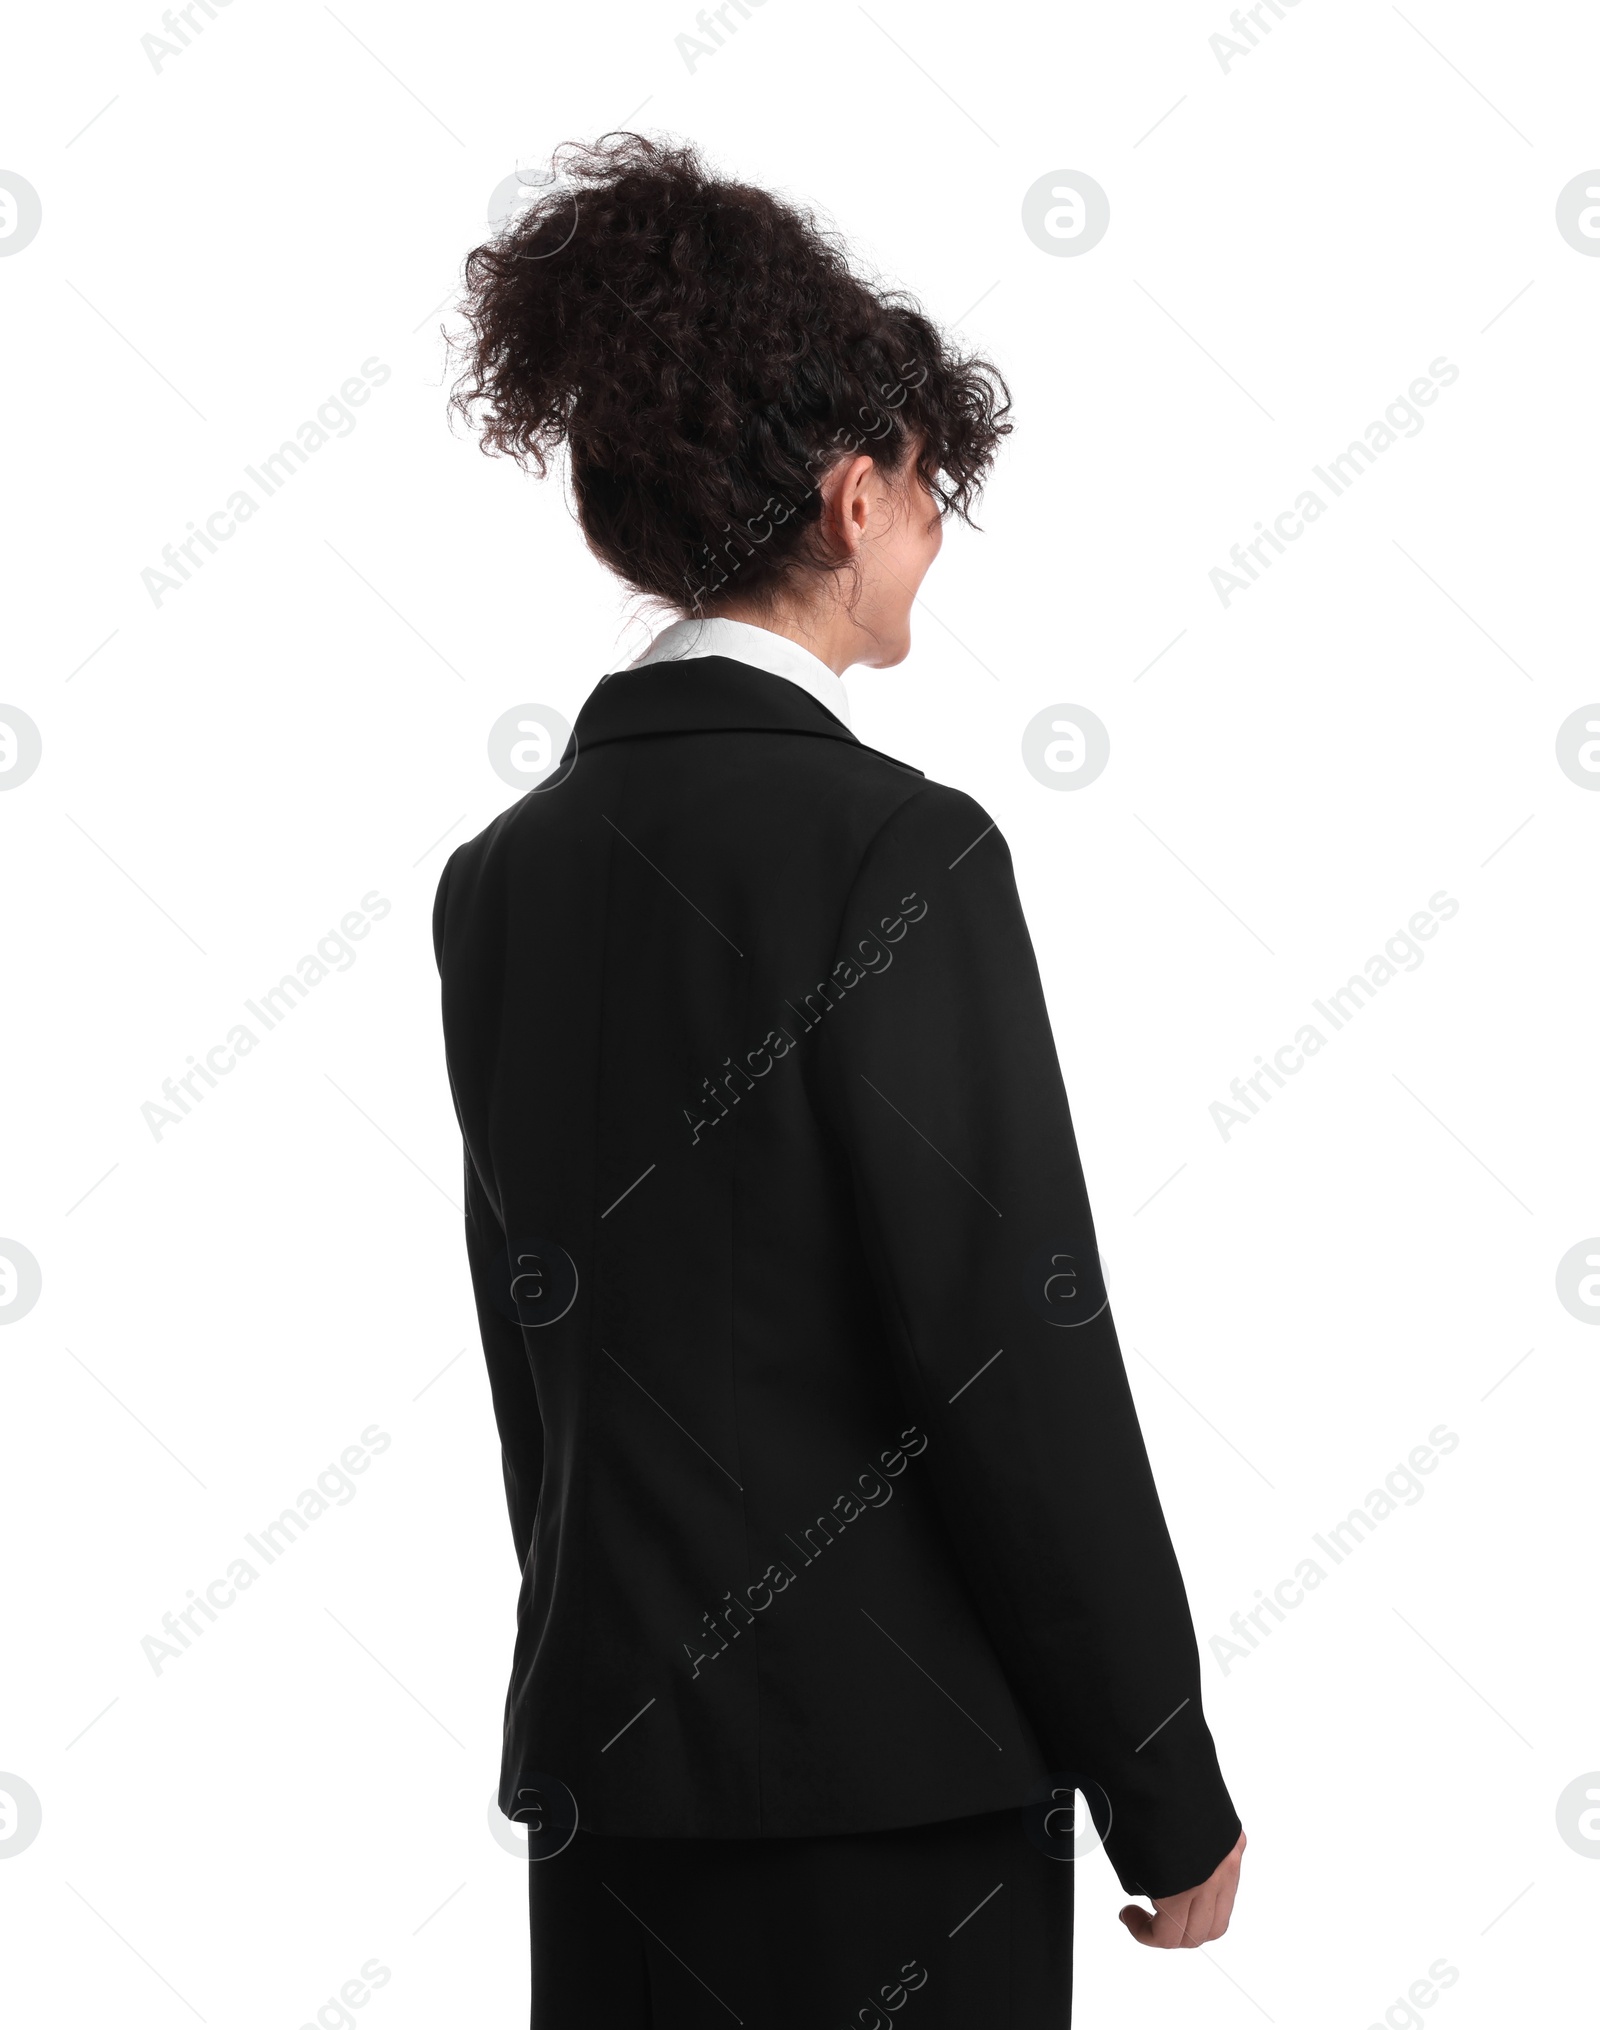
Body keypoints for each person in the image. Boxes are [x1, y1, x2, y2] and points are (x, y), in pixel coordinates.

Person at [433, 131, 1243, 2028]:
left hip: (615, 1777)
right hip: (897, 1793)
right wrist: (1163, 1773)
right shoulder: (899, 851)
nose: (934, 543)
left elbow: (531, 1355)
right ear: (853, 491)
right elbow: (1005, 1342)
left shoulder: (504, 878)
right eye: (931, 495)